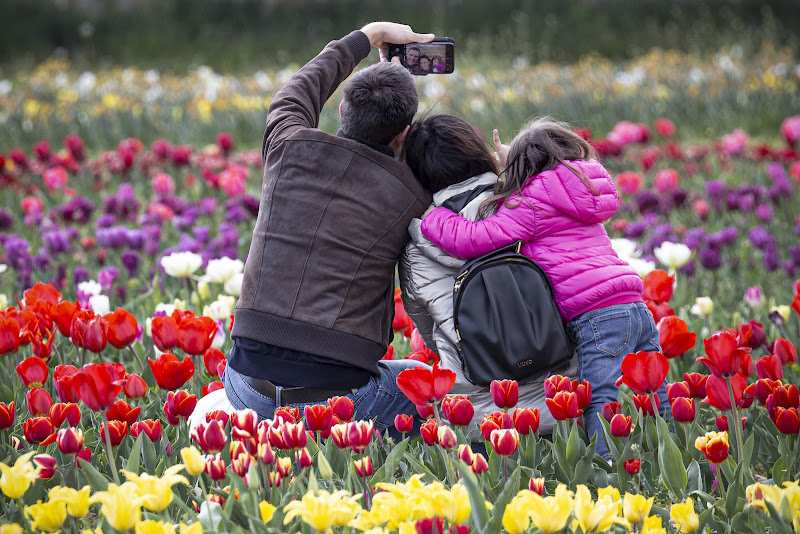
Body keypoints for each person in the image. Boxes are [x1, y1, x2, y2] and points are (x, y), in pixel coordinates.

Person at [193, 22, 436, 439]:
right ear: (404, 134)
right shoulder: (412, 196)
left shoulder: (288, 146)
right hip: (340, 404)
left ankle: (246, 429)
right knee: (419, 379)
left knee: (228, 400)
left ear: (341, 109)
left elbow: (296, 91)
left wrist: (367, 36)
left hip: (246, 388)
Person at [420, 117, 665, 458]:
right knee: (659, 395)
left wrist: (433, 218)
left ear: (523, 168)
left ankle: (605, 469)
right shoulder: (583, 191)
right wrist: (513, 160)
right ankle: (679, 457)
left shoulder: (531, 204)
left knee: (601, 398)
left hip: (596, 317)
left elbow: (474, 239)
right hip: (635, 305)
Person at [399, 114, 579, 440]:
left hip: (480, 425)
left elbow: (429, 332)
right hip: (565, 408)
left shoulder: (415, 249)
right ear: (478, 153)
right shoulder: (529, 203)